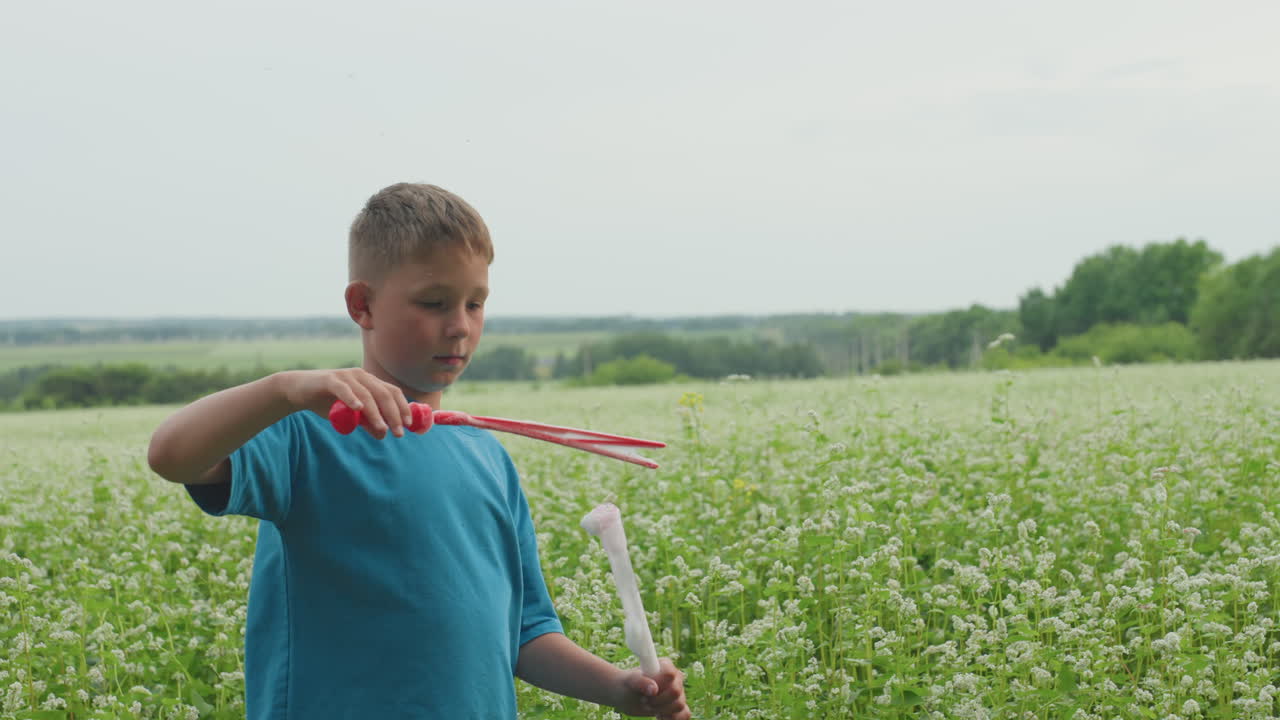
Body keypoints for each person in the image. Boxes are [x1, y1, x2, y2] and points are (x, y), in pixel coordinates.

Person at [147, 183, 690, 720]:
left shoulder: (486, 456)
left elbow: (525, 632)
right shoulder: (307, 432)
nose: (459, 327)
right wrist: (284, 390)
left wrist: (619, 689)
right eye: (433, 303)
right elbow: (172, 456)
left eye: (475, 304)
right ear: (362, 305)